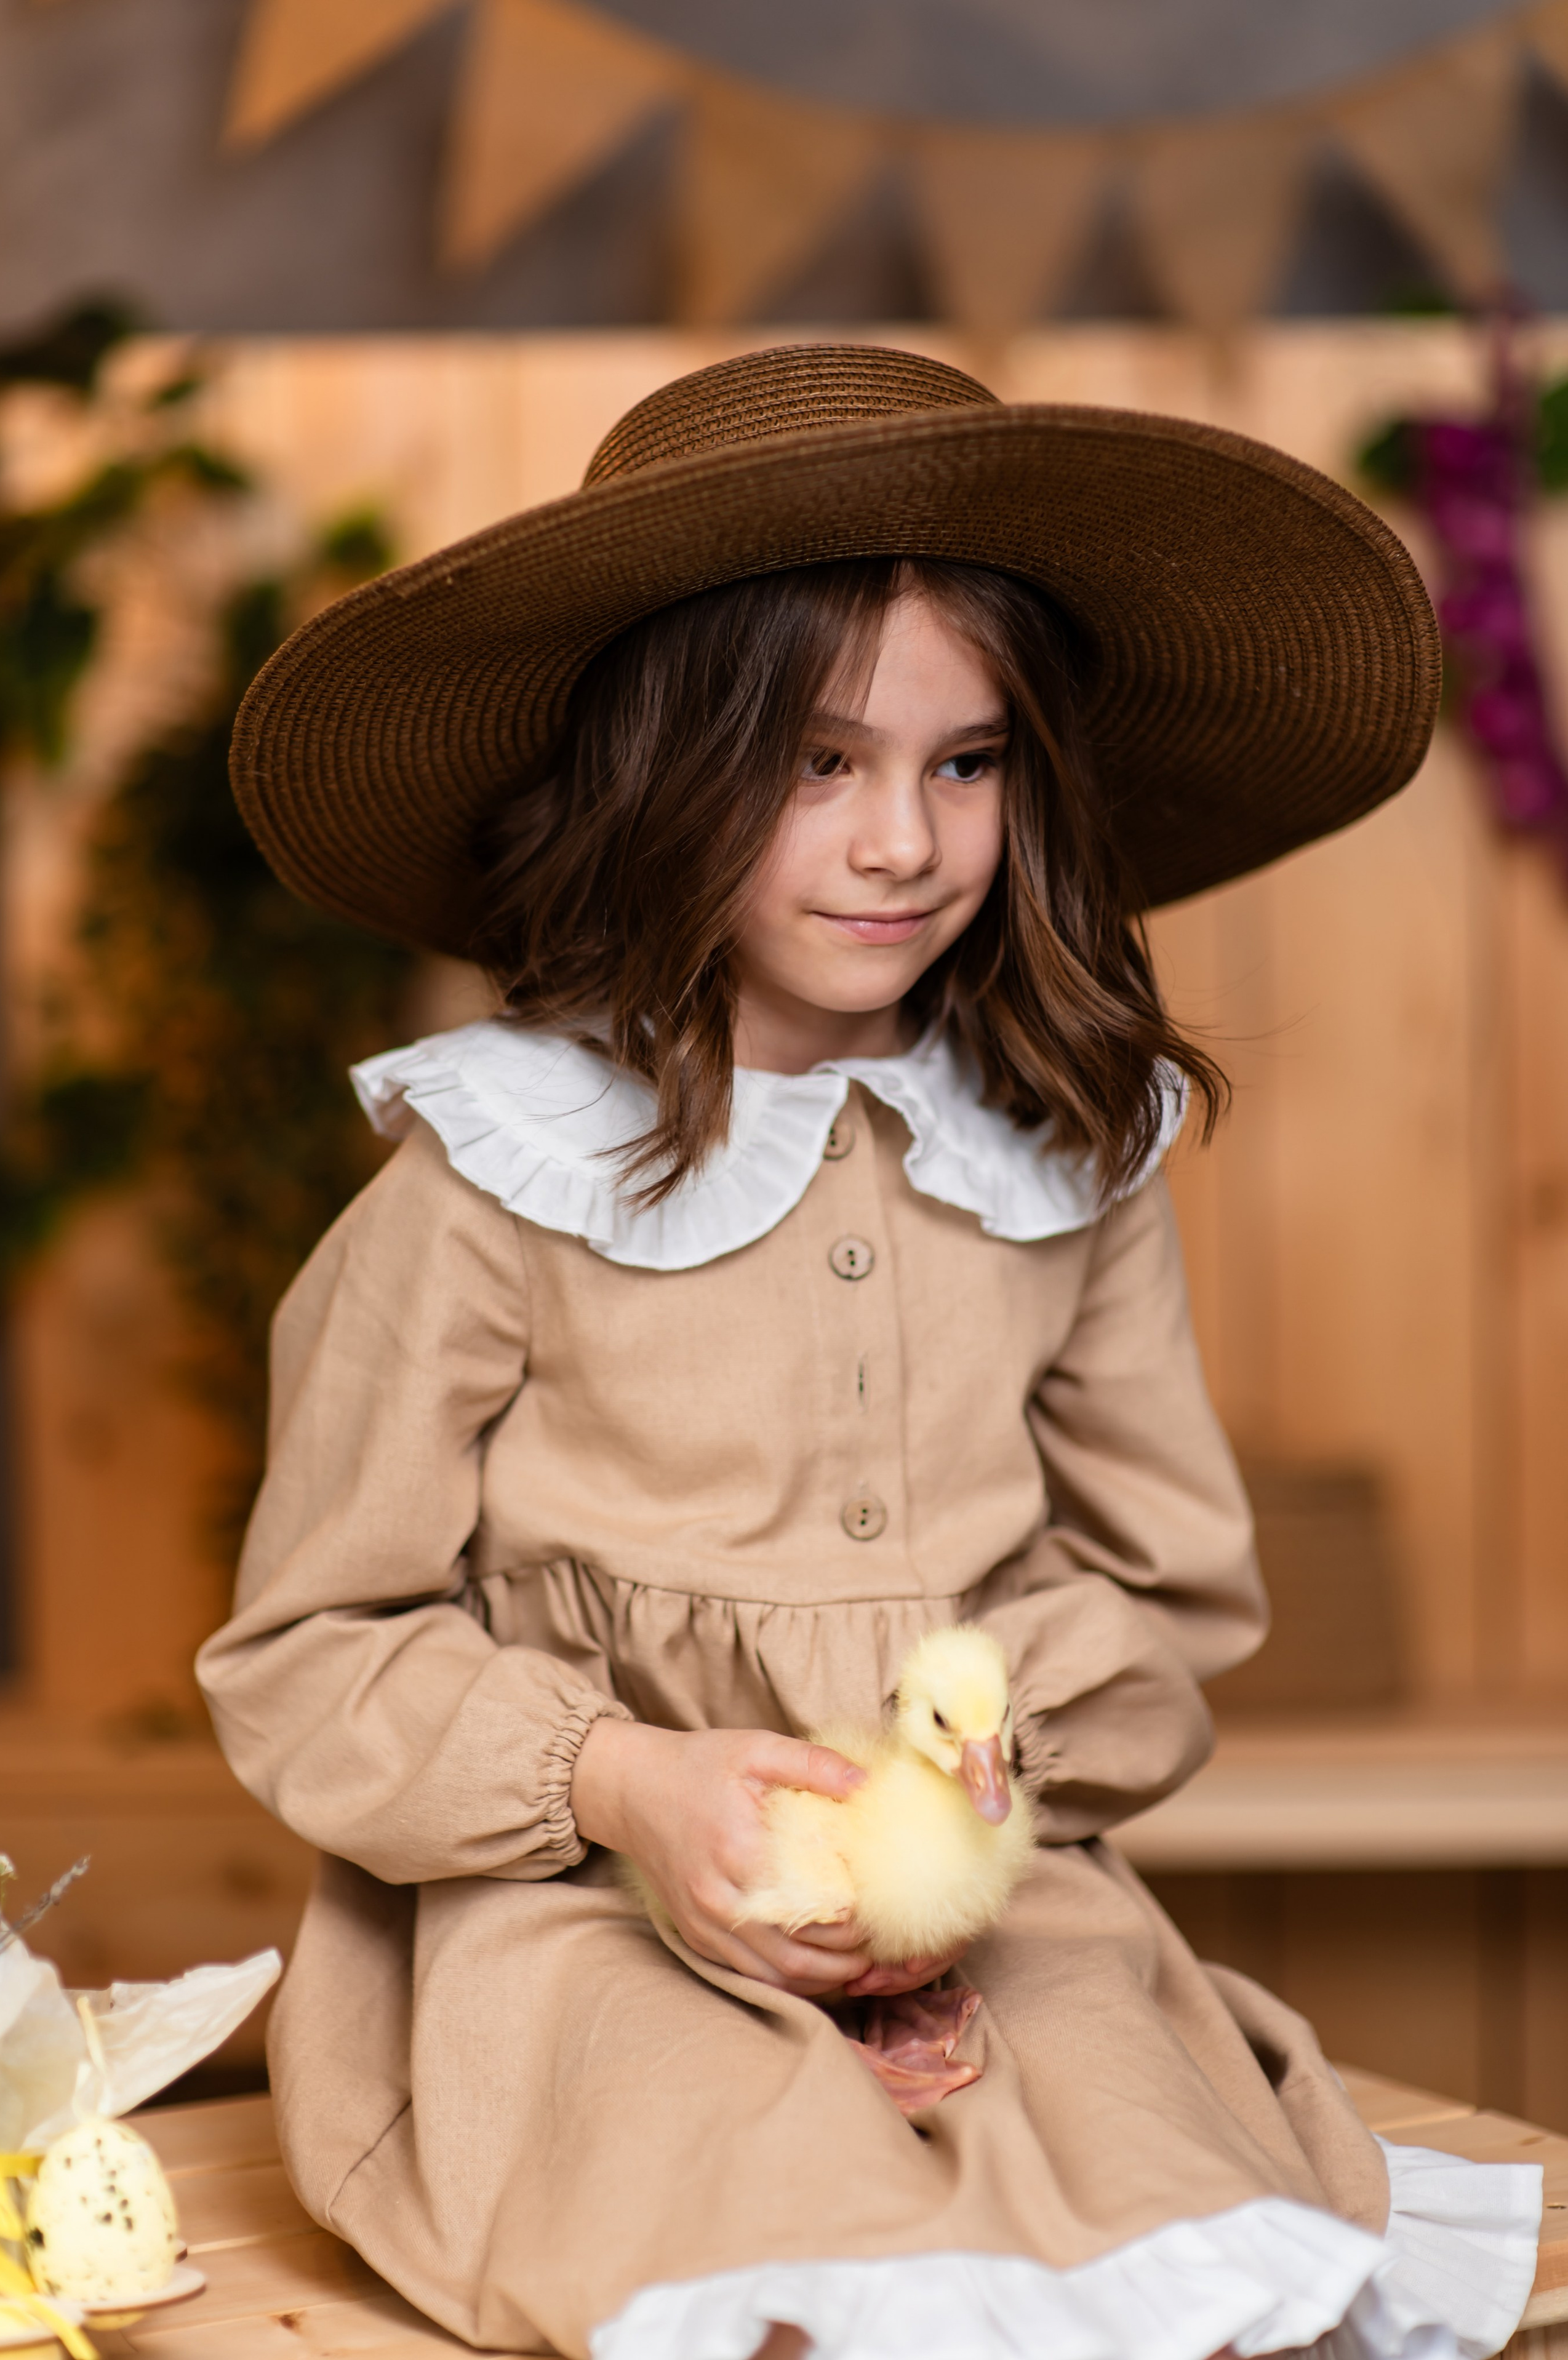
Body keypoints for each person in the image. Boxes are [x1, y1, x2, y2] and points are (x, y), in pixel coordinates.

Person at [197, 344, 1540, 2360]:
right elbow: (311, 1651)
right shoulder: (490, 1174)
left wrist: (982, 1786)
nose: (904, 839)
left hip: (987, 1899)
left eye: (966, 762)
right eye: (819, 763)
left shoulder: (1058, 1156)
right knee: (759, 2224)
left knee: (1168, 2217)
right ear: (659, 772)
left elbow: (1166, 1592)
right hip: (575, 1918)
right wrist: (628, 1781)